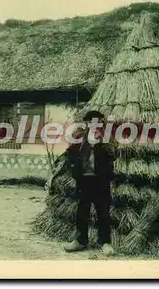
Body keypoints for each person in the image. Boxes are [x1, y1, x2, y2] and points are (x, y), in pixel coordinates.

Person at [63, 110, 115, 256]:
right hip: (84, 180)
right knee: (82, 211)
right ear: (86, 123)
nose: (93, 124)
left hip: (100, 181)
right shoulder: (79, 138)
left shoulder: (106, 138)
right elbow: (70, 155)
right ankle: (81, 241)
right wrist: (74, 170)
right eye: (90, 121)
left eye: (96, 121)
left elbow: (113, 155)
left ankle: (105, 242)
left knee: (103, 212)